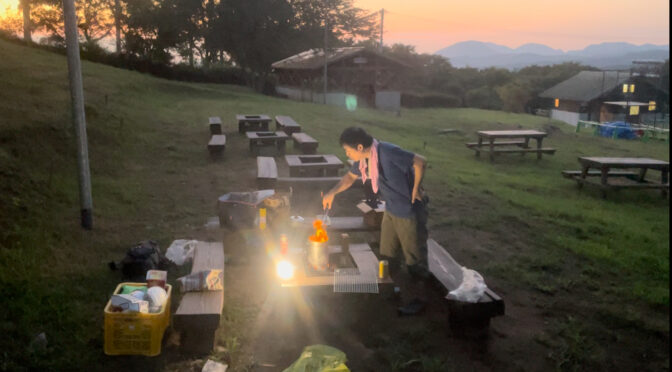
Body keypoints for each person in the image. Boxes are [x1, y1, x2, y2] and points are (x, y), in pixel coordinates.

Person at [322, 127, 430, 312]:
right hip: (391, 210)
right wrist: (332, 192)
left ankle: (418, 301)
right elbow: (349, 177)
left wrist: (415, 188)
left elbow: (420, 161)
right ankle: (392, 289)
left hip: (408, 211)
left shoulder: (387, 151)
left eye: (348, 150)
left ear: (360, 146)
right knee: (387, 255)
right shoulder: (365, 159)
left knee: (414, 258)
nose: (347, 154)